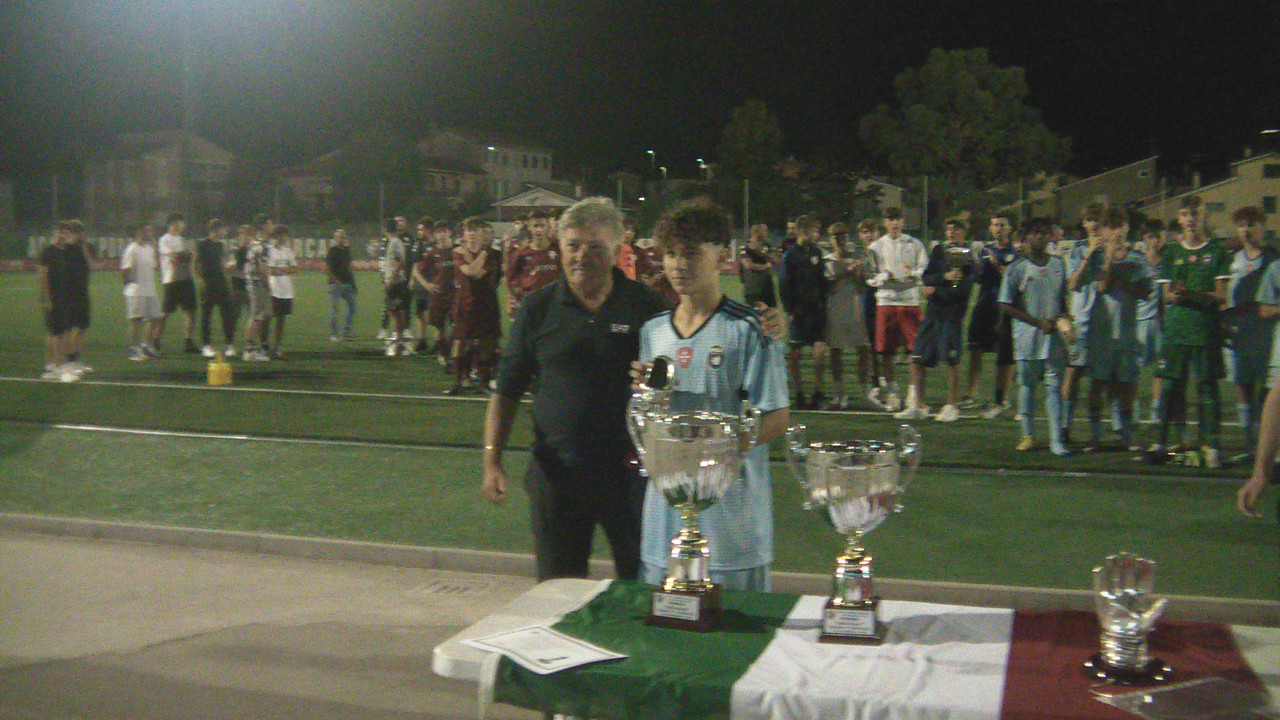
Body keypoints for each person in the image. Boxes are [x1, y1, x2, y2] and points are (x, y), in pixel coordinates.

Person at [481, 197, 669, 582]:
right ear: (560, 248)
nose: (582, 256)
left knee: (642, 588)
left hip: (632, 475)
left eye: (595, 247)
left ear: (617, 251)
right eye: (573, 246)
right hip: (558, 475)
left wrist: (659, 379)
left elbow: (673, 375)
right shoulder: (537, 308)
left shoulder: (648, 306)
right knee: (555, 592)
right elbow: (507, 392)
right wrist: (491, 460)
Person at [635, 198, 789, 592]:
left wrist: (712, 453)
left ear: (722, 257)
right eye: (669, 253)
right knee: (666, 630)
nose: (677, 265)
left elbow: (776, 417)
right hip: (664, 516)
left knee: (737, 638)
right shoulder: (652, 332)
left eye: (690, 253)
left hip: (730, 517)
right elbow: (647, 414)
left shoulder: (752, 329)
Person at [1146, 196, 1231, 468]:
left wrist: (1190, 293)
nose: (1190, 219)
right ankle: (1160, 443)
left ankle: (1212, 446)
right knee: (1169, 387)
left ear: (1204, 216)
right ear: (1179, 219)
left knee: (1207, 387)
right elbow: (1167, 297)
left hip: (1205, 330)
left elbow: (1220, 297)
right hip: (1177, 331)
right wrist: (1176, 294)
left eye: (1195, 214)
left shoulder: (1217, 252)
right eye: (1185, 214)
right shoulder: (1171, 252)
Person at [1080, 209, 1152, 451]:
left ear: (1127, 228)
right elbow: (1100, 286)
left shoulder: (1138, 259)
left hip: (1127, 333)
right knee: (1097, 385)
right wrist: (1109, 260)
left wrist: (1123, 283)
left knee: (1126, 386)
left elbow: (1146, 292)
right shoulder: (1097, 257)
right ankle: (1096, 435)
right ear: (1104, 231)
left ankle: (1128, 434)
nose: (1117, 232)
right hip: (1101, 334)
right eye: (1111, 227)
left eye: (1120, 226)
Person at [999, 218, 1070, 456]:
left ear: (1050, 236)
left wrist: (1063, 318)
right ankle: (1027, 435)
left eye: (1043, 233)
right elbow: (1006, 305)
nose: (1039, 237)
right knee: (1027, 386)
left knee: (1054, 387)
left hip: (1053, 338)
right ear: (1026, 238)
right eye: (1034, 233)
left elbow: (1061, 300)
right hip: (1028, 337)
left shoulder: (1059, 264)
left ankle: (1055, 439)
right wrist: (1037, 322)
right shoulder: (1017, 267)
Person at [896, 216, 975, 421]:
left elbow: (964, 288)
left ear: (964, 233)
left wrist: (937, 289)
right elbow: (927, 278)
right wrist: (943, 279)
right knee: (917, 358)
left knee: (951, 361)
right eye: (949, 229)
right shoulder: (939, 251)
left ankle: (951, 406)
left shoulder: (968, 256)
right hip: (932, 313)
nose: (952, 233)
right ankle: (919, 405)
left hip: (952, 314)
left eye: (956, 230)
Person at [1223, 206, 1276, 456]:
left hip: (1266, 335)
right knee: (1243, 389)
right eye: (1242, 225)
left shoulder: (1273, 260)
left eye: (1252, 224)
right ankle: (1248, 443)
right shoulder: (1231, 260)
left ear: (1262, 226)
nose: (1246, 230)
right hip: (1238, 335)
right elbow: (1223, 297)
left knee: (1268, 393)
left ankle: (1267, 445)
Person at [866, 206, 928, 413]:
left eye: (898, 219)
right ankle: (892, 392)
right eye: (891, 219)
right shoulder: (876, 246)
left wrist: (912, 275)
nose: (894, 223)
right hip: (886, 302)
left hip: (909, 302)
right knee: (886, 352)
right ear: (885, 222)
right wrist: (884, 276)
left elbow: (923, 268)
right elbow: (870, 276)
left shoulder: (914, 243)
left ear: (903, 221)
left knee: (914, 351)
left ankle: (913, 395)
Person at [965, 212, 1018, 418]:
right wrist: (975, 268)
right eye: (995, 225)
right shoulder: (985, 250)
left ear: (1009, 229)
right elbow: (978, 278)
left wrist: (997, 265)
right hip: (983, 305)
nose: (998, 228)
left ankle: (1002, 398)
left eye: (1002, 225)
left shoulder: (1015, 251)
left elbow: (1012, 278)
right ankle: (971, 395)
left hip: (1004, 308)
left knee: (1004, 356)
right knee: (975, 351)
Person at [1062, 203, 1107, 439]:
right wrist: (1089, 256)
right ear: (1084, 224)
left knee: (1099, 380)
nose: (1094, 224)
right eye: (1089, 219)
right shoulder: (1078, 250)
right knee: (1073, 372)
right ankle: (1065, 426)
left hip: (1104, 324)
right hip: (1080, 321)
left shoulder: (1112, 249)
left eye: (1097, 219)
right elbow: (1073, 284)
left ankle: (1096, 433)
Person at [779, 214, 829, 409]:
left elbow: (822, 281)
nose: (817, 235)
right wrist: (789, 309)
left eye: (817, 231)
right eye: (813, 231)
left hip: (817, 311)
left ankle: (817, 392)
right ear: (802, 232)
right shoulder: (790, 255)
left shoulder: (817, 252)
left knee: (819, 353)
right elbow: (784, 284)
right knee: (795, 355)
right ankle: (799, 393)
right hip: (798, 312)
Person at [447, 218, 502, 394]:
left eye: (475, 230)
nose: (471, 234)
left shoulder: (494, 254)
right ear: (464, 234)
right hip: (464, 304)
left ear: (481, 233)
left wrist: (481, 255)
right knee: (460, 342)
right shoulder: (458, 252)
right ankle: (458, 380)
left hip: (487, 303)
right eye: (468, 231)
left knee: (488, 343)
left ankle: (484, 381)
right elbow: (470, 271)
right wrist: (483, 255)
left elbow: (478, 273)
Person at [822, 222, 871, 410]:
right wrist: (847, 273)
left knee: (863, 349)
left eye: (843, 237)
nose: (841, 241)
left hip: (855, 309)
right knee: (836, 352)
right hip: (835, 311)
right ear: (831, 240)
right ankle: (839, 393)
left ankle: (864, 393)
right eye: (836, 237)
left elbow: (861, 288)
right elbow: (831, 288)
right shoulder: (827, 262)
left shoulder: (856, 259)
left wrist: (858, 275)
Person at [155, 213, 199, 354]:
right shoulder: (164, 240)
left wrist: (184, 255)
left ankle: (188, 342)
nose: (183, 225)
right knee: (166, 312)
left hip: (186, 278)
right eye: (181, 222)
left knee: (191, 311)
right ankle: (155, 340)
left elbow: (189, 256)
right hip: (172, 280)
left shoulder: (183, 240)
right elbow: (175, 256)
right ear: (173, 223)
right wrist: (185, 255)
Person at [503, 210, 560, 318]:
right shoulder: (522, 253)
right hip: (531, 306)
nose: (538, 229)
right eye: (535, 226)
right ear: (529, 227)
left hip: (554, 305)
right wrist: (511, 299)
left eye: (542, 226)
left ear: (548, 227)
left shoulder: (558, 250)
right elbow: (510, 278)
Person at [37, 222, 74, 380]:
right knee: (54, 333)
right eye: (59, 232)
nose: (62, 235)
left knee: (62, 332)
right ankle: (50, 367)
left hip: (64, 298)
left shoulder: (64, 252)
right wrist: (47, 299)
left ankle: (59, 364)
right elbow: (42, 275)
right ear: (54, 233)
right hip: (53, 298)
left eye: (65, 232)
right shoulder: (48, 251)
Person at [120, 222, 162, 362]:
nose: (150, 233)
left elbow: (153, 267)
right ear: (140, 232)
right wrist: (131, 285)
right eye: (148, 230)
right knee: (136, 321)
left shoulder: (150, 248)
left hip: (150, 290)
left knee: (156, 318)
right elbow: (125, 270)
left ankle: (146, 345)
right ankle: (133, 349)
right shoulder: (132, 249)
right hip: (137, 291)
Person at [196, 219, 236, 358]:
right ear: (215, 229)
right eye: (223, 229)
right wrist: (200, 279)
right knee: (206, 315)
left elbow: (221, 264)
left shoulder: (220, 245)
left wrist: (228, 281)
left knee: (227, 315)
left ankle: (229, 345)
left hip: (221, 283)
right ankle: (206, 346)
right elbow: (197, 263)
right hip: (208, 284)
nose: (224, 232)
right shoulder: (202, 244)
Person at [240, 220, 273, 362]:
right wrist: (269, 286)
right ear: (264, 226)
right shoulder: (263, 245)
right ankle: (249, 350)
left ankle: (253, 348)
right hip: (258, 284)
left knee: (258, 316)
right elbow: (263, 268)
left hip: (252, 283)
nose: (272, 227)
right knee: (256, 317)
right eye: (270, 224)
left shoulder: (255, 243)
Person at [266, 224, 298, 358]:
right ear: (275, 236)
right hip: (273, 289)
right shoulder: (269, 251)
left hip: (286, 290)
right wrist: (279, 271)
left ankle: (278, 346)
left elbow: (295, 269)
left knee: (281, 319)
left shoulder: (288, 251)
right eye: (280, 235)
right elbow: (269, 269)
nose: (282, 238)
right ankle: (264, 345)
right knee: (267, 317)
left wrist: (286, 270)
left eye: (284, 236)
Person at [381, 218, 411, 356]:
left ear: (386, 229)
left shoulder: (394, 242)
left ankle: (396, 341)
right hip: (397, 282)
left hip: (395, 283)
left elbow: (400, 262)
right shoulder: (397, 241)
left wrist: (390, 280)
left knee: (393, 312)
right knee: (397, 312)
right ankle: (400, 340)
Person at [325, 229, 357, 342]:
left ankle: (346, 332)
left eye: (343, 237)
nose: (341, 239)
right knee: (335, 310)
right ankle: (333, 334)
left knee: (352, 308)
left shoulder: (347, 250)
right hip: (335, 286)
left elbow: (349, 268)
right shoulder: (332, 251)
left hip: (348, 284)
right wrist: (335, 281)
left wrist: (353, 284)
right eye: (339, 237)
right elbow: (328, 268)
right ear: (335, 239)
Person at [739, 223, 778, 308]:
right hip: (753, 288)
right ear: (756, 232)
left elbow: (775, 260)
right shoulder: (745, 246)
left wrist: (760, 250)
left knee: (772, 314)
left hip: (768, 287)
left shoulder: (767, 245)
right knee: (752, 316)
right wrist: (765, 266)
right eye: (764, 230)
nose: (767, 232)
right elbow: (747, 265)